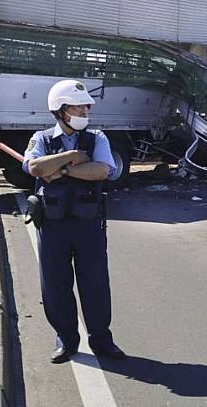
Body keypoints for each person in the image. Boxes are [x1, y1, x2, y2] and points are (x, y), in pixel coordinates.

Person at [22, 79, 125, 363]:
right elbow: (34, 167)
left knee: (95, 284)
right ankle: (66, 341)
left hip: (88, 223)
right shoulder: (41, 138)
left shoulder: (97, 138)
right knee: (55, 285)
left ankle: (102, 341)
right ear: (61, 109)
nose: (86, 109)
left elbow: (102, 171)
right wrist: (71, 158)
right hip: (53, 224)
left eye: (85, 106)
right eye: (79, 106)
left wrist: (60, 169)